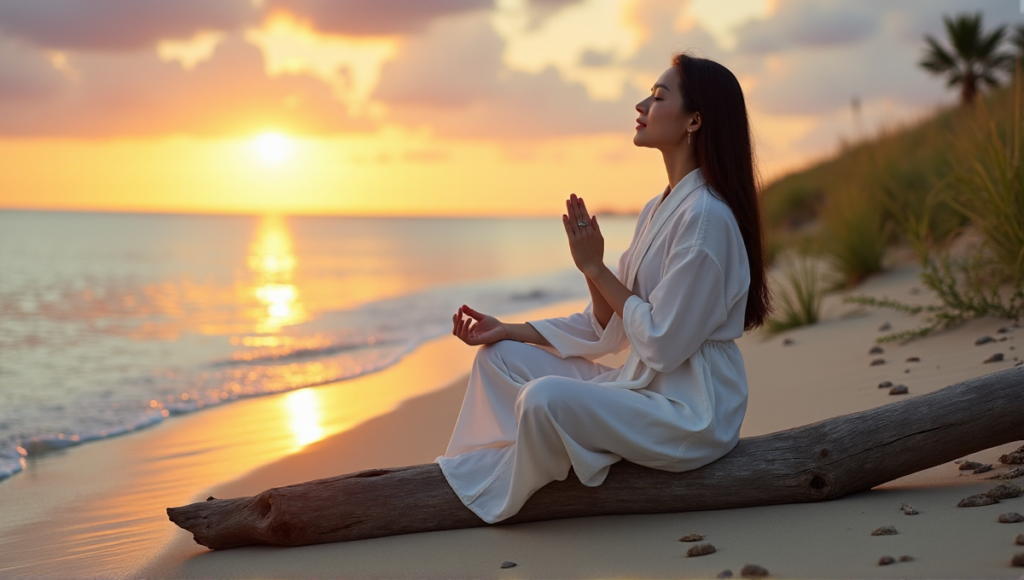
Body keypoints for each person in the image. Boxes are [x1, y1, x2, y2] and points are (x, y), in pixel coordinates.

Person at [438, 52, 772, 525]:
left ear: (694, 120)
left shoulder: (706, 221)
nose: (642, 105)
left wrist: (597, 268)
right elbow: (607, 327)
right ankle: (553, 448)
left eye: (658, 97)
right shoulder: (657, 208)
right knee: (499, 359)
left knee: (543, 399)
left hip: (691, 412)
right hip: (640, 385)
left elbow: (661, 343)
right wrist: (509, 329)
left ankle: (542, 458)